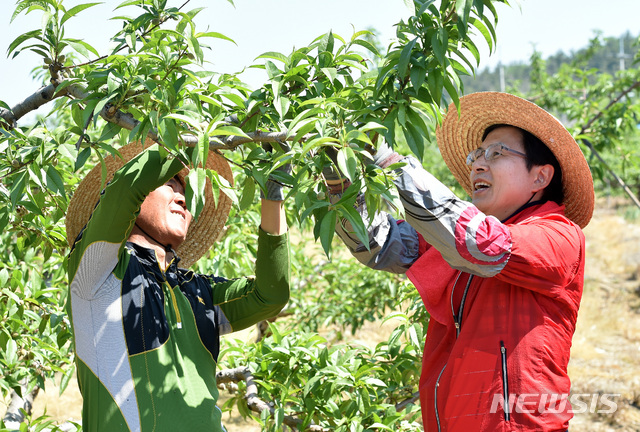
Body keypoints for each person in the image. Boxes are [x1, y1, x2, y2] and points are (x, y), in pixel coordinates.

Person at [325, 92, 594, 431]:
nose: (478, 164)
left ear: (540, 177)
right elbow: (380, 246)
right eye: (477, 154)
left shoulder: (558, 235)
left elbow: (485, 245)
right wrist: (339, 179)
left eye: (497, 153)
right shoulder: (451, 240)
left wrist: (387, 160)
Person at [64, 139, 291, 432]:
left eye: (185, 192)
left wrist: (273, 192)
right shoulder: (97, 274)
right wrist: (193, 132)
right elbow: (124, 190)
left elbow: (270, 295)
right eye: (170, 185)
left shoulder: (197, 291)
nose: (182, 198)